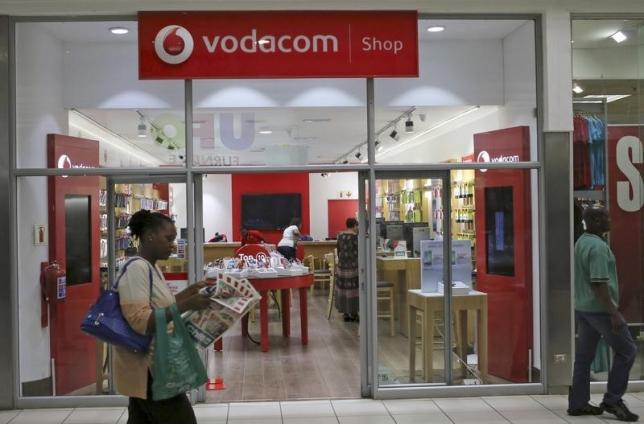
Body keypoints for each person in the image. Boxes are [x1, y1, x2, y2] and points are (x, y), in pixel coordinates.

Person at [114, 210, 212, 424]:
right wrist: (187, 304)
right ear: (149, 235)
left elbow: (162, 306)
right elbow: (141, 321)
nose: (173, 244)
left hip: (155, 362)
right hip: (150, 367)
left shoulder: (151, 267)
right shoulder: (136, 269)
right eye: (168, 238)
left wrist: (191, 292)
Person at [568, 206, 638, 422]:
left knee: (583, 358)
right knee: (627, 350)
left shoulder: (581, 241)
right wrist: (614, 313)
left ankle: (578, 404)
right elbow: (599, 283)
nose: (610, 220)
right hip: (600, 311)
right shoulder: (598, 247)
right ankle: (613, 399)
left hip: (584, 309)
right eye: (606, 217)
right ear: (596, 221)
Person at [335, 217, 359, 322]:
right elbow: (359, 251)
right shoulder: (356, 237)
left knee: (343, 289)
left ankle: (345, 313)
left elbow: (338, 250)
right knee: (354, 290)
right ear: (354, 225)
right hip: (353, 266)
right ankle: (354, 313)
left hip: (342, 266)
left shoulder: (340, 236)